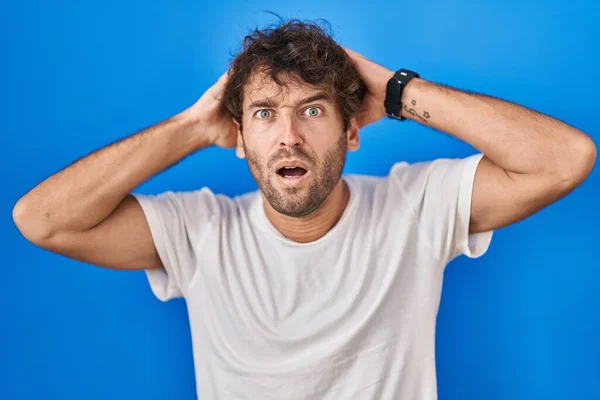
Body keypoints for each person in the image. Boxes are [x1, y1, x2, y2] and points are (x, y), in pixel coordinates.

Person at [13, 18, 596, 400]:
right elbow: (41, 219)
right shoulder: (199, 232)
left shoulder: (416, 208)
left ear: (352, 132)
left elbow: (564, 160)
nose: (288, 136)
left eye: (313, 111)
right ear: (238, 136)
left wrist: (395, 91)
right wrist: (192, 127)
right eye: (265, 114)